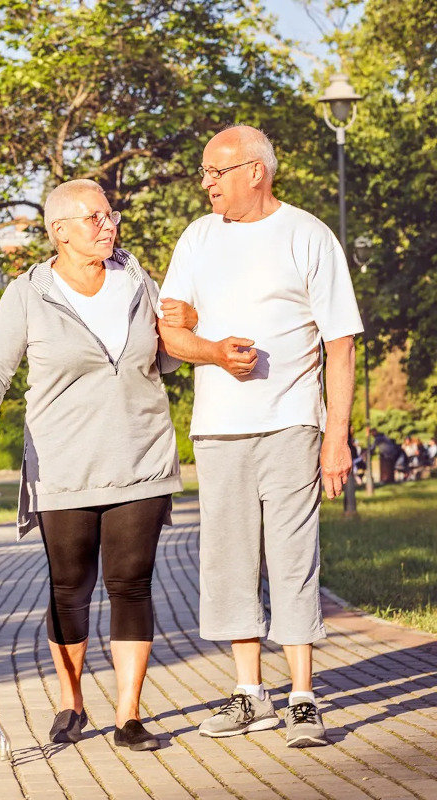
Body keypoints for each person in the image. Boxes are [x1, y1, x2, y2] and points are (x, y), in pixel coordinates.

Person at [0, 178, 196, 751]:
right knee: (69, 587)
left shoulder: (139, 279)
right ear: (60, 231)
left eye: (110, 214)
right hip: (62, 463)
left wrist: (187, 329)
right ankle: (70, 703)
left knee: (131, 584)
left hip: (140, 453)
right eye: (94, 218)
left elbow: (166, 357)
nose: (108, 224)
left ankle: (128, 715)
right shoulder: (28, 293)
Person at [157, 125, 363, 748]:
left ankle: (302, 696)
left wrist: (336, 435)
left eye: (216, 173)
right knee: (229, 559)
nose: (206, 184)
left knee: (292, 555)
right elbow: (171, 334)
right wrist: (215, 353)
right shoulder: (196, 239)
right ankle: (250, 694)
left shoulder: (308, 235)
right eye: (204, 174)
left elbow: (341, 343)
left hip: (291, 420)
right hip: (218, 429)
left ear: (255, 171)